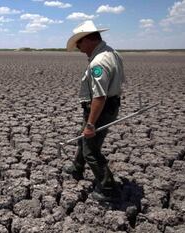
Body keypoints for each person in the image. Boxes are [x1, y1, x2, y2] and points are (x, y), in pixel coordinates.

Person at [64, 20, 125, 202]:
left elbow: (99, 97)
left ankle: (108, 189)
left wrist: (90, 124)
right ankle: (77, 167)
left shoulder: (98, 62)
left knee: (91, 149)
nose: (79, 48)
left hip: (100, 110)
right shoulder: (112, 53)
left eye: (80, 43)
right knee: (82, 138)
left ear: (89, 39)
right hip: (108, 107)